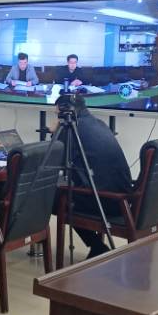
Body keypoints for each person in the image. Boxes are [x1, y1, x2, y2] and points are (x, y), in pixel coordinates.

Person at [59, 95, 134, 258]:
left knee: (54, 199)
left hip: (104, 201)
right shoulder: (100, 124)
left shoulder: (72, 128)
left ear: (66, 111)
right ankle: (97, 247)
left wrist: (55, 132)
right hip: (124, 199)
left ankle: (97, 246)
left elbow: (54, 158)